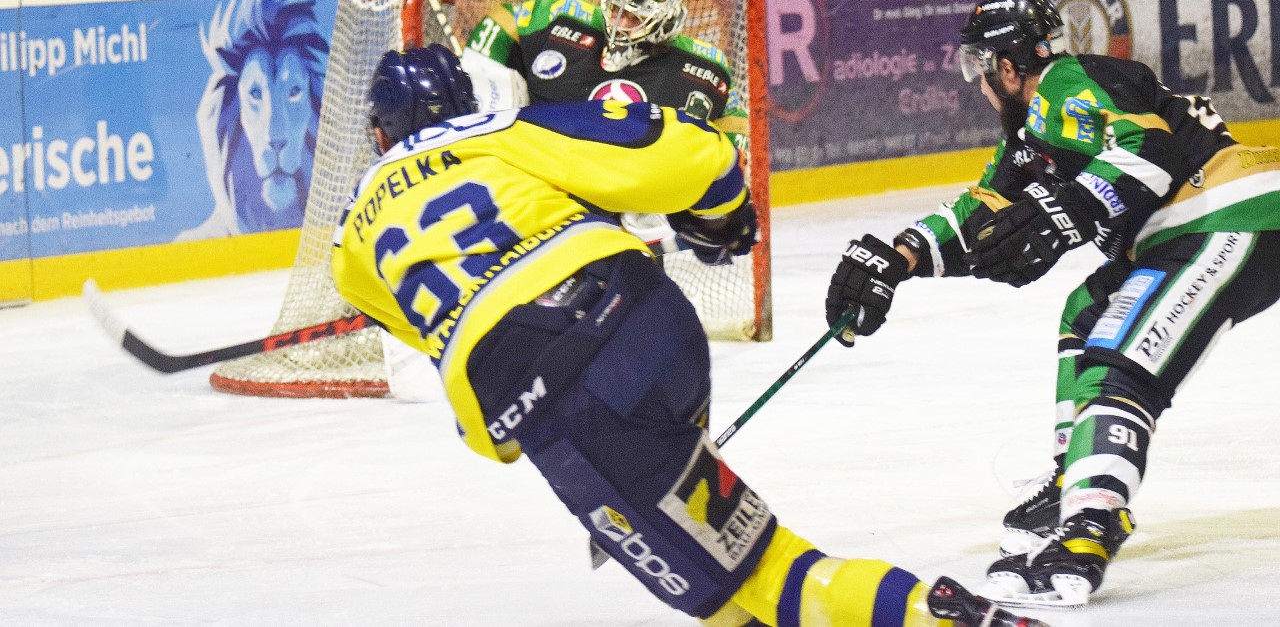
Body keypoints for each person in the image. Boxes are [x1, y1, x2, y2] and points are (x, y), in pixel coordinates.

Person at [330, 43, 1046, 627]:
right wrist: (722, 216)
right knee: (725, 589)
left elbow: (464, 366)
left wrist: (507, 429)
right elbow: (692, 155)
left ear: (378, 134)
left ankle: (954, 619)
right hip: (650, 319)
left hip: (573, 401)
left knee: (770, 574)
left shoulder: (349, 250)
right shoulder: (506, 132)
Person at [824, 0, 1280, 608]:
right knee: (1087, 313)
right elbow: (981, 212)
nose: (979, 87)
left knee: (1122, 362)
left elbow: (1148, 148)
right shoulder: (1035, 134)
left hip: (1227, 213)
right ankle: (1076, 475)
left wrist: (1069, 205)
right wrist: (897, 258)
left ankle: (1093, 522)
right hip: (1188, 228)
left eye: (981, 70)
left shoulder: (1065, 83)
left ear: (1008, 68)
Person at [459, 0, 749, 147]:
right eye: (615, 11)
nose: (618, 24)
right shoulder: (567, 18)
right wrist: (480, 69)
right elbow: (506, 16)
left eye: (633, 19)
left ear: (663, 25)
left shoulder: (704, 69)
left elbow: (735, 123)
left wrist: (734, 155)